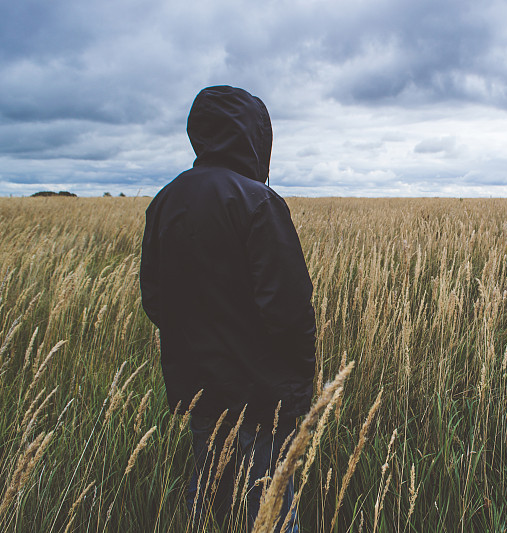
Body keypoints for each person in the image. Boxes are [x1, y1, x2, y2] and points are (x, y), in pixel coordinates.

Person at [140, 85, 316, 532]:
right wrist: (296, 393)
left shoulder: (166, 200)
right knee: (272, 515)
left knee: (212, 510)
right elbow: (291, 310)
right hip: (261, 399)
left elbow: (155, 301)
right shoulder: (258, 202)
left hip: (200, 394)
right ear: (255, 136)